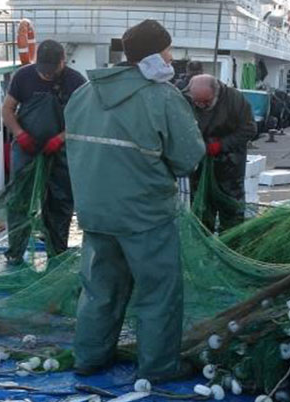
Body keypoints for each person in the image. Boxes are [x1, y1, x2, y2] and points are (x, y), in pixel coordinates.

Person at [64, 19, 205, 381]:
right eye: (169, 50)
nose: (171, 58)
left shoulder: (83, 94)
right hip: (145, 215)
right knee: (158, 293)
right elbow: (188, 158)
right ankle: (160, 368)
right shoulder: (162, 96)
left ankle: (89, 357)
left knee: (100, 290)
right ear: (156, 55)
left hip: (94, 214)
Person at [1, 39, 87, 263]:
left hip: (61, 151)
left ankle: (56, 252)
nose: (47, 75)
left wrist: (61, 138)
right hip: (26, 147)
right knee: (20, 198)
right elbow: (8, 110)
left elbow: (84, 119)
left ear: (63, 62)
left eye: (52, 71)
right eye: (43, 70)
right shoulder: (23, 76)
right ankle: (15, 252)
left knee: (59, 201)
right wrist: (20, 134)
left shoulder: (76, 82)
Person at [186, 74, 256, 233]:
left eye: (206, 102)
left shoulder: (235, 99)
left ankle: (232, 247)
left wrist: (221, 145)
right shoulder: (185, 98)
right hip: (200, 168)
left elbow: (249, 129)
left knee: (232, 214)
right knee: (201, 213)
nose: (201, 105)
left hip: (229, 167)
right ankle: (203, 250)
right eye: (197, 102)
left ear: (216, 93)